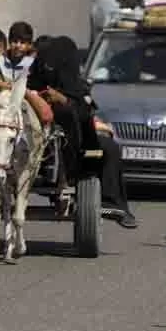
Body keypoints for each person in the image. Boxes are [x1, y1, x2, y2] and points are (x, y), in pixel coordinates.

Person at [23, 31, 138, 229]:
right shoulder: (30, 86)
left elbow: (86, 113)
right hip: (38, 152)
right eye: (47, 62)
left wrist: (64, 100)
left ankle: (112, 205)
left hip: (82, 153)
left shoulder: (79, 88)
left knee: (108, 149)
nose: (51, 68)